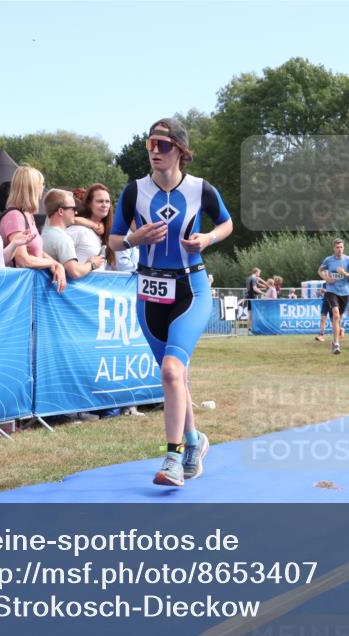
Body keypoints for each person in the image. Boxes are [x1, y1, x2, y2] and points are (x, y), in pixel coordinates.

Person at [109, 118, 233, 487]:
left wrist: (207, 239)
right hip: (149, 293)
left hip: (191, 289)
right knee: (175, 376)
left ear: (180, 150)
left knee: (170, 371)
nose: (155, 152)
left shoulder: (200, 188)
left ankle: (173, 458)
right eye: (150, 144)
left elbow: (227, 223)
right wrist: (134, 239)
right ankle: (194, 440)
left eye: (162, 145)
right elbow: (114, 240)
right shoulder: (134, 191)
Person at [0, 165, 67, 292]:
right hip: (14, 288)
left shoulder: (26, 215)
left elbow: (36, 251)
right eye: (41, 184)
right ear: (32, 188)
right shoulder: (15, 216)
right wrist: (52, 263)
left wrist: (57, 264)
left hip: (25, 287)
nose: (43, 188)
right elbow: (23, 259)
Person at [42, 189, 105, 278]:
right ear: (60, 211)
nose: (76, 212)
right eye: (73, 209)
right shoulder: (63, 238)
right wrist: (92, 264)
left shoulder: (44, 234)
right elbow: (75, 272)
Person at [319, 238, 349, 355]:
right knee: (335, 314)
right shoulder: (329, 260)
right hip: (331, 291)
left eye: (341, 247)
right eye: (337, 247)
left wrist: (344, 273)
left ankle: (334, 341)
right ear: (334, 248)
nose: (339, 249)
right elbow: (320, 270)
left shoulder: (348, 260)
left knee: (339, 319)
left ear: (343, 248)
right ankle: (336, 344)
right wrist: (326, 278)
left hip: (345, 293)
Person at [72, 183, 117, 270]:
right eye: (100, 201)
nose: (104, 205)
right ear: (89, 203)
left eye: (107, 201)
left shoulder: (106, 231)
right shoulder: (77, 230)